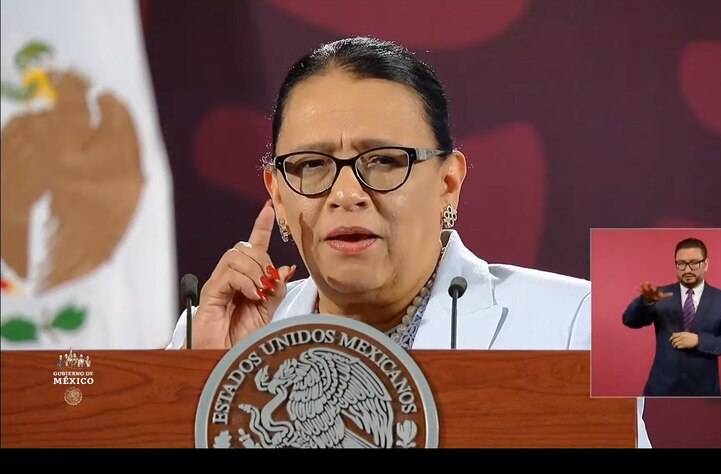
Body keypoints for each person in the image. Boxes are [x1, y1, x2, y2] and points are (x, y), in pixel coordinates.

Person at [166, 36, 650, 447]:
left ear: (448, 183)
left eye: (383, 160)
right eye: (311, 165)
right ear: (277, 193)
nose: (346, 194)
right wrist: (204, 387)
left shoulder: (573, 326)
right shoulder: (214, 342)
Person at [623, 237, 721, 396]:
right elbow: (630, 320)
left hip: (703, 392)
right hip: (661, 390)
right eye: (681, 264)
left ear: (706, 264)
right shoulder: (660, 294)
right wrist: (645, 301)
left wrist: (698, 340)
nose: (687, 269)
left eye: (694, 263)